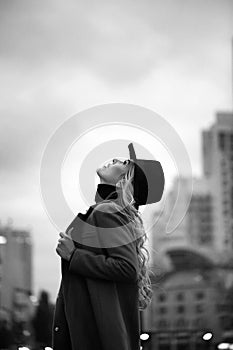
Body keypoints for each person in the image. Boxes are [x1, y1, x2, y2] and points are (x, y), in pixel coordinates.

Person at [53, 143, 165, 350]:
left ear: (126, 179)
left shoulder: (109, 211)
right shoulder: (110, 211)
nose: (115, 159)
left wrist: (74, 255)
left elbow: (126, 268)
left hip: (96, 333)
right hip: (97, 329)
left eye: (123, 163)